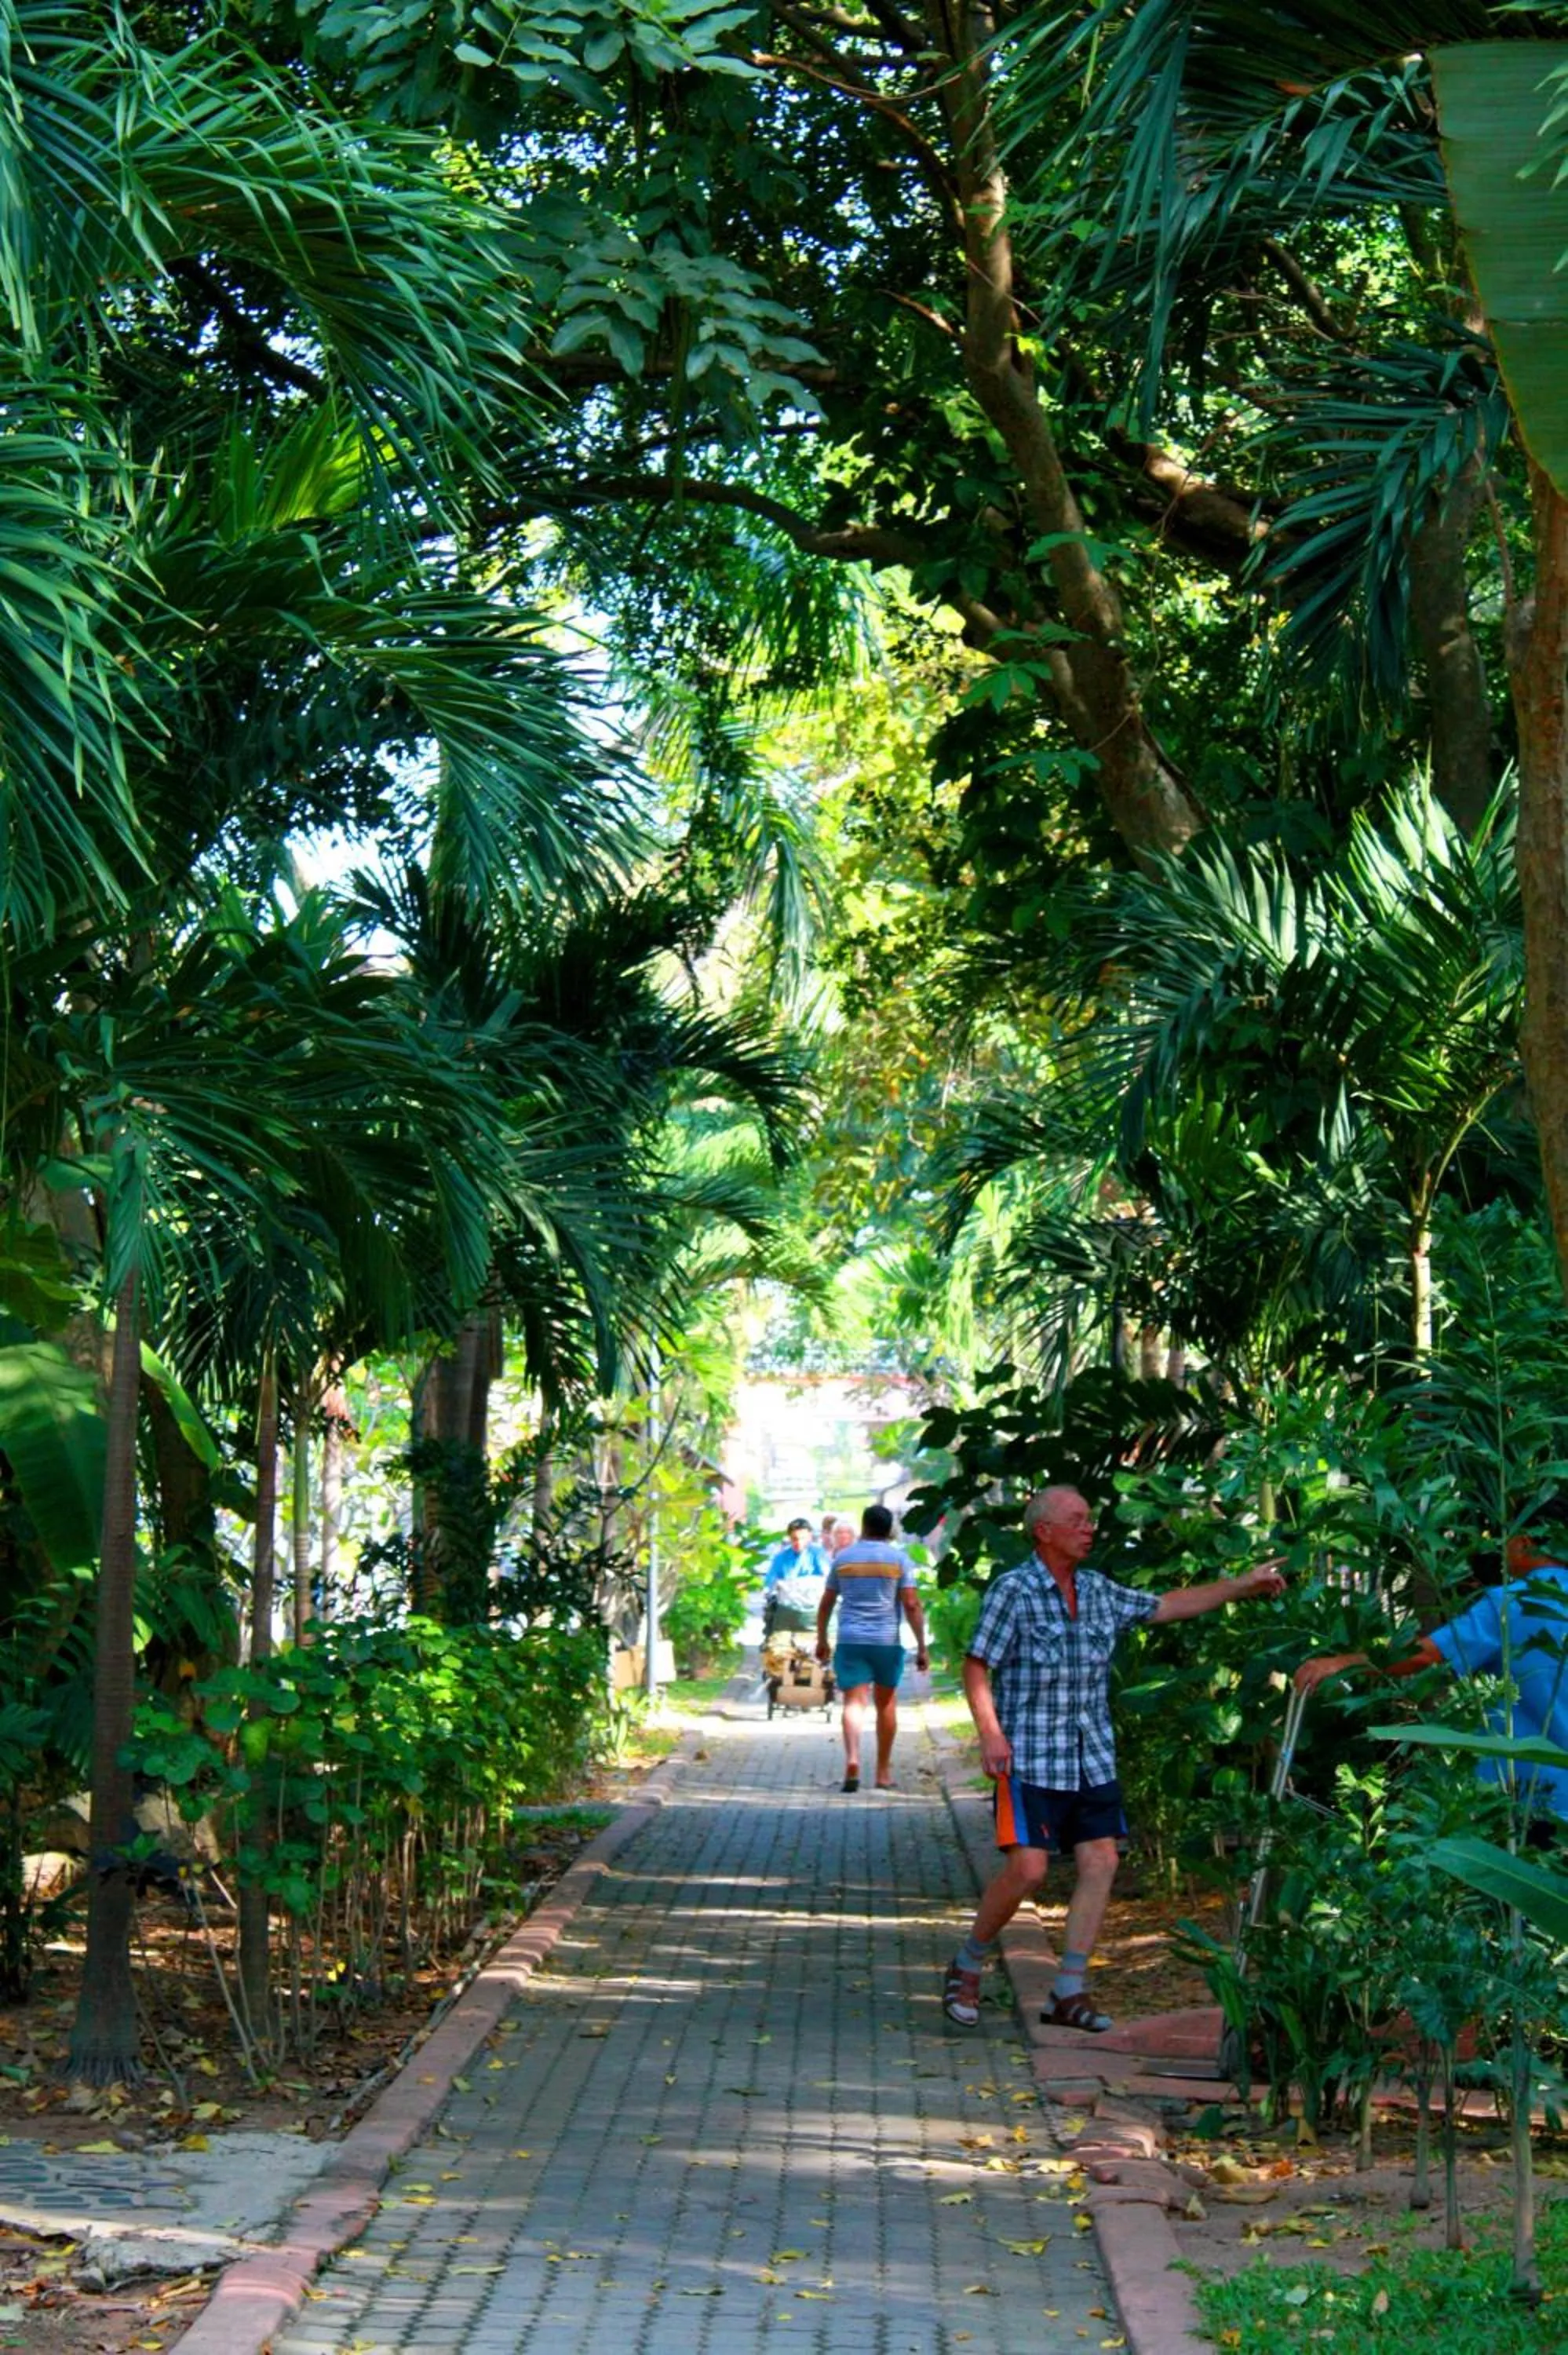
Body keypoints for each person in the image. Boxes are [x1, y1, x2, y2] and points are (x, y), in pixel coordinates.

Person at [943, 1484, 1286, 2031]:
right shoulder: (1014, 1591)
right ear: (1044, 1531)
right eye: (1077, 1521)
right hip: (1030, 1756)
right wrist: (990, 1733)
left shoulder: (1098, 1591)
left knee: (1101, 1862)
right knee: (1029, 1870)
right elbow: (977, 1664)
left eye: (1090, 1520)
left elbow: (1169, 1604)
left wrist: (1243, 1586)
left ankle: (1069, 1992)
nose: (1089, 1529)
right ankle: (968, 1964)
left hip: (1090, 1756)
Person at [1294, 1529, 1568, 1823]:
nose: (1503, 1549)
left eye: (1509, 1540)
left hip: (1531, 1797)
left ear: (1525, 1543)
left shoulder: (1512, 1605)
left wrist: (1344, 1663)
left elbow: (1424, 1655)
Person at [815, 1502, 929, 1792]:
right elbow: (912, 1604)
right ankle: (882, 1773)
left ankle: (852, 1760)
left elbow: (826, 1602)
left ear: (863, 1527)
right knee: (886, 1704)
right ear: (889, 1530)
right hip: (886, 1641)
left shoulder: (843, 1558)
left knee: (854, 1702)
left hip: (851, 1640)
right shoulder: (899, 1560)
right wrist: (922, 1646)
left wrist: (822, 1639)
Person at [763, 1517, 830, 1636]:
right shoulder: (781, 1557)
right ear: (789, 1538)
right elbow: (770, 1582)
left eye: (802, 1538)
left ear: (809, 1537)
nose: (798, 1543)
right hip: (787, 1610)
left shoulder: (818, 1554)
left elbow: (827, 1578)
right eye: (794, 1539)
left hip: (813, 1610)